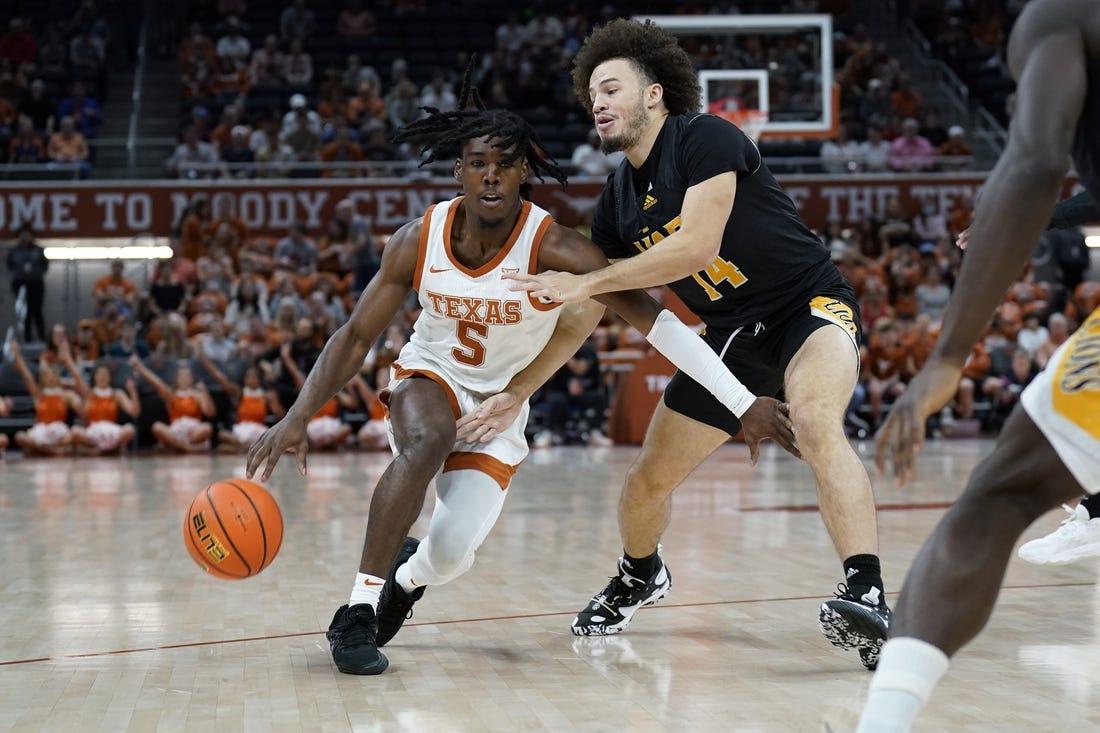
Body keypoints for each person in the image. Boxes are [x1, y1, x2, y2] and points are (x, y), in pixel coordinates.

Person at [245, 79, 798, 677]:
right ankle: (357, 609)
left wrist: (741, 402)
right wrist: (298, 415)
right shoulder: (417, 239)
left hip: (501, 404)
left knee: (453, 553)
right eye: (478, 164)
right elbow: (355, 337)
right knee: (428, 440)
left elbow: (658, 325)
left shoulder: (557, 247)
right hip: (429, 376)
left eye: (504, 166)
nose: (490, 176)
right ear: (458, 171)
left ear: (522, 174)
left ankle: (407, 578)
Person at [498, 18, 890, 669]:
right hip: (731, 335)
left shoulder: (703, 138)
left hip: (807, 307)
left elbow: (696, 246)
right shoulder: (617, 204)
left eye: (612, 87)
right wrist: (520, 388)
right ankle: (640, 573)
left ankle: (867, 590)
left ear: (653, 94)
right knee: (646, 481)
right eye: (592, 91)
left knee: (818, 422)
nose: (597, 101)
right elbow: (597, 306)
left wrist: (586, 278)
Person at [857, 1, 1100, 729]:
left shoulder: (1061, 15)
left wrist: (948, 356)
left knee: (996, 499)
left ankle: (885, 723)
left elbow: (1034, 162)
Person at [8, 340, 81, 456]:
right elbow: (27, 377)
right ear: (43, 379)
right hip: (41, 431)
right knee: (19, 437)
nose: (51, 378)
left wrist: (68, 361)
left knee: (74, 434)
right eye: (48, 376)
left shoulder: (65, 395)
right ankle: (51, 450)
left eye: (53, 375)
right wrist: (17, 356)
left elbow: (81, 403)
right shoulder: (39, 394)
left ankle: (41, 450)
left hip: (59, 432)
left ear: (58, 377)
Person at [130, 355, 215, 452]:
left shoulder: (198, 395)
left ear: (192, 379)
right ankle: (188, 447)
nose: (184, 379)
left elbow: (210, 413)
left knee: (207, 428)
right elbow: (157, 383)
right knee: (157, 427)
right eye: (181, 377)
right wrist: (141, 368)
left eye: (187, 376)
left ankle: (178, 446)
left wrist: (205, 393)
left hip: (193, 430)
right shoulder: (172, 395)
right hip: (176, 431)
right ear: (177, 379)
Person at [67, 355, 140, 455]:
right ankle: (107, 449)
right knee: (75, 432)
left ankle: (101, 450)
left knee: (130, 429)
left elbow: (135, 411)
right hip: (94, 432)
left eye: (105, 375)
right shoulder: (89, 393)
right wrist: (68, 359)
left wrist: (132, 392)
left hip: (111, 431)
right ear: (95, 377)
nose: (102, 377)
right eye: (100, 375)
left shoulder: (116, 394)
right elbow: (77, 377)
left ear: (110, 377)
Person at [6, 222, 48, 342]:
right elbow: (10, 267)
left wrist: (33, 273)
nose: (25, 237)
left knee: (37, 311)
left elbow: (44, 267)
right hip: (20, 285)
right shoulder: (14, 252)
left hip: (36, 285)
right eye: (22, 235)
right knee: (25, 314)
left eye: (27, 235)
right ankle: (27, 340)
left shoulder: (38, 251)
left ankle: (42, 339)